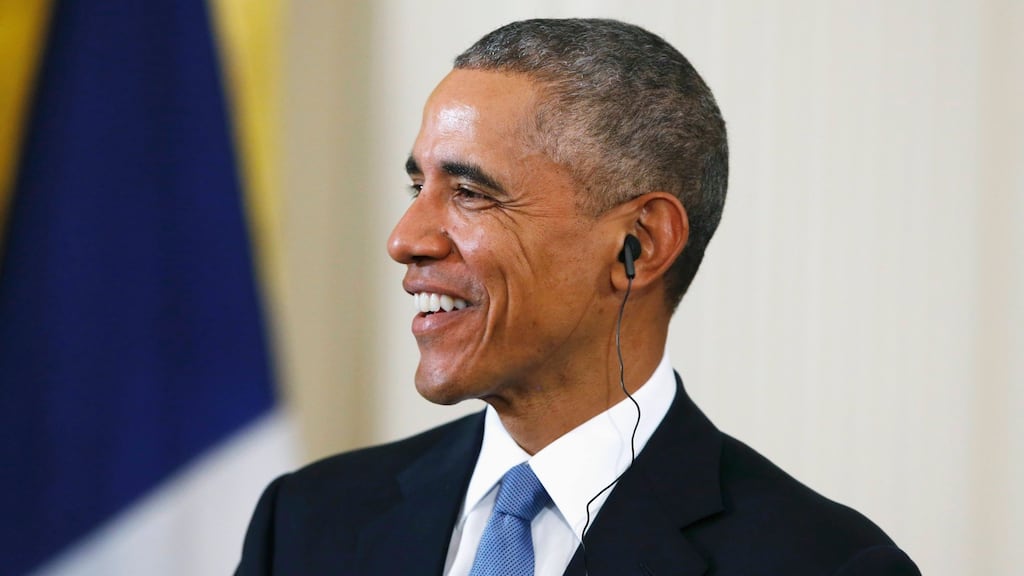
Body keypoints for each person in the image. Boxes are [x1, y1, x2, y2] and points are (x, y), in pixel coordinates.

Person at [235, 18, 920, 575]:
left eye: (470, 192)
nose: (406, 237)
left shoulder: (822, 564)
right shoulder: (304, 523)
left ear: (639, 245)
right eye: (420, 187)